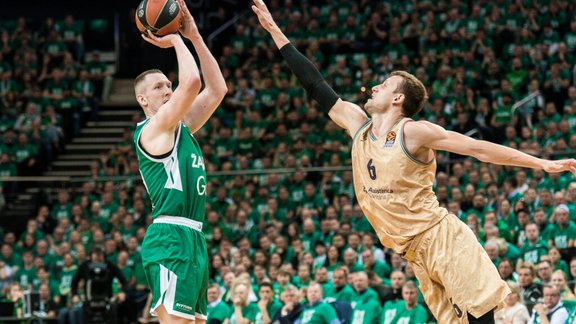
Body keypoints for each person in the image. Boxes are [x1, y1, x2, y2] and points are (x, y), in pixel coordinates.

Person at [251, 1, 576, 322]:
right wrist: (274, 31)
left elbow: (477, 148)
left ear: (398, 98)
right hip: (413, 252)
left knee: (481, 318)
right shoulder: (357, 125)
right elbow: (315, 84)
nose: (374, 86)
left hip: (442, 238)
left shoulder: (414, 133)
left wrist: (542, 164)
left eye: (384, 85)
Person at [134, 0, 227, 323]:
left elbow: (217, 89)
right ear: (142, 99)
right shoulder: (152, 129)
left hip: (194, 238)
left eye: (168, 85)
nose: (168, 90)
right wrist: (175, 39)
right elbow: (192, 83)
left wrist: (196, 37)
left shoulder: (180, 126)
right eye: (159, 87)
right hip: (169, 238)